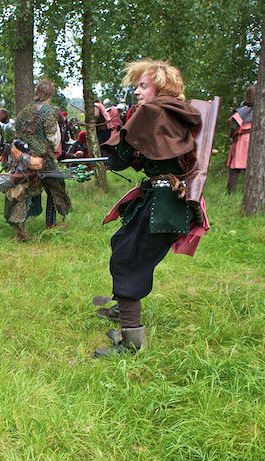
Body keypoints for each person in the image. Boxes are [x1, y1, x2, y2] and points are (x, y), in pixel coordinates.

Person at [95, 59, 206, 355]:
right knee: (122, 242)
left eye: (143, 86)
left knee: (128, 261)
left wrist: (109, 125)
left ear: (160, 87)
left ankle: (132, 343)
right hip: (170, 200)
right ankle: (123, 307)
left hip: (163, 201)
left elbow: (118, 160)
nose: (138, 92)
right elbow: (152, 157)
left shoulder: (151, 112)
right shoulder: (176, 112)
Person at [5, 79, 69, 240]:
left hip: (22, 158)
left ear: (37, 92)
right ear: (50, 94)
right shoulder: (48, 111)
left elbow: (17, 133)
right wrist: (51, 150)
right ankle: (51, 224)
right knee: (55, 187)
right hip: (43, 159)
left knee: (21, 190)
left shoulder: (24, 111)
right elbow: (53, 138)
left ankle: (19, 230)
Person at [226, 84, 255, 194]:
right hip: (254, 141)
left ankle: (231, 192)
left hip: (242, 141)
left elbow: (233, 126)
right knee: (248, 168)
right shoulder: (263, 111)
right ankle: (246, 192)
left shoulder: (241, 111)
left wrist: (231, 136)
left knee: (235, 167)